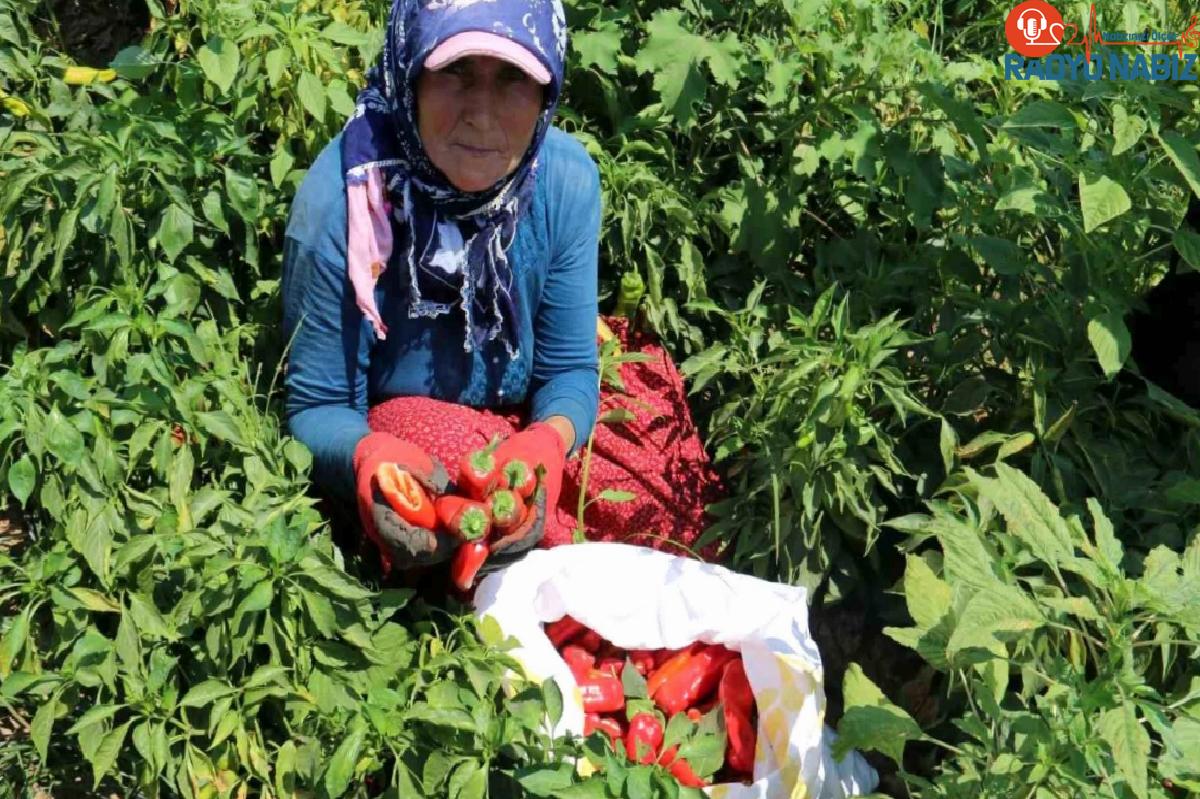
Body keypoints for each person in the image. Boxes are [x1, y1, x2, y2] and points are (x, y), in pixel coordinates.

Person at [281, 0, 600, 576]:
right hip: (410, 443)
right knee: (449, 468)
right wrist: (365, 457)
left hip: (520, 429)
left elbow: (570, 370)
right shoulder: (345, 204)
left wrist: (550, 441)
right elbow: (318, 404)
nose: (482, 114)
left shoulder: (566, 181)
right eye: (454, 73)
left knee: (647, 448)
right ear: (410, 75)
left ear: (546, 92)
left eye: (512, 79)